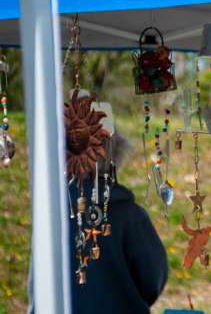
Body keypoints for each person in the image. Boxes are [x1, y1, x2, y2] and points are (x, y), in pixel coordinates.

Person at [29, 129, 168, 313]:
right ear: (115, 155)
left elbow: (37, 284)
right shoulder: (130, 216)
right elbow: (153, 278)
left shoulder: (52, 212)